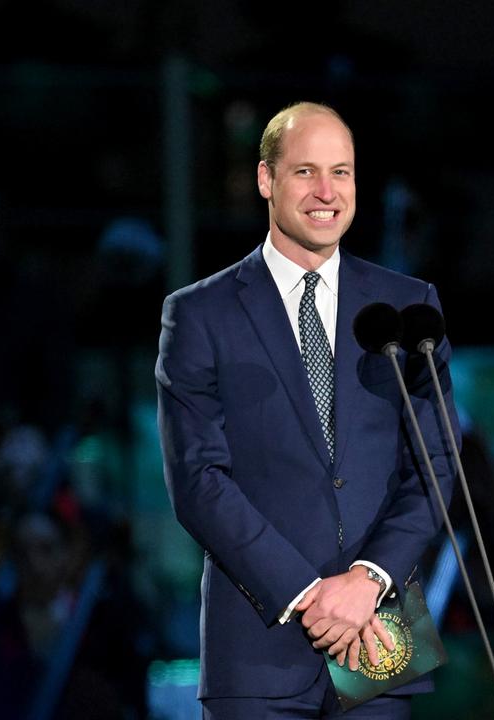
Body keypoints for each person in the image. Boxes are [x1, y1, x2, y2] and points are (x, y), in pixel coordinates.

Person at [156, 101, 458, 718]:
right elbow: (197, 481)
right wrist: (307, 594)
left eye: (341, 172)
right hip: (258, 644)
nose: (327, 192)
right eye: (305, 172)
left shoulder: (407, 307)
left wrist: (370, 579)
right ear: (266, 180)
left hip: (379, 631)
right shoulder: (199, 313)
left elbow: (435, 465)